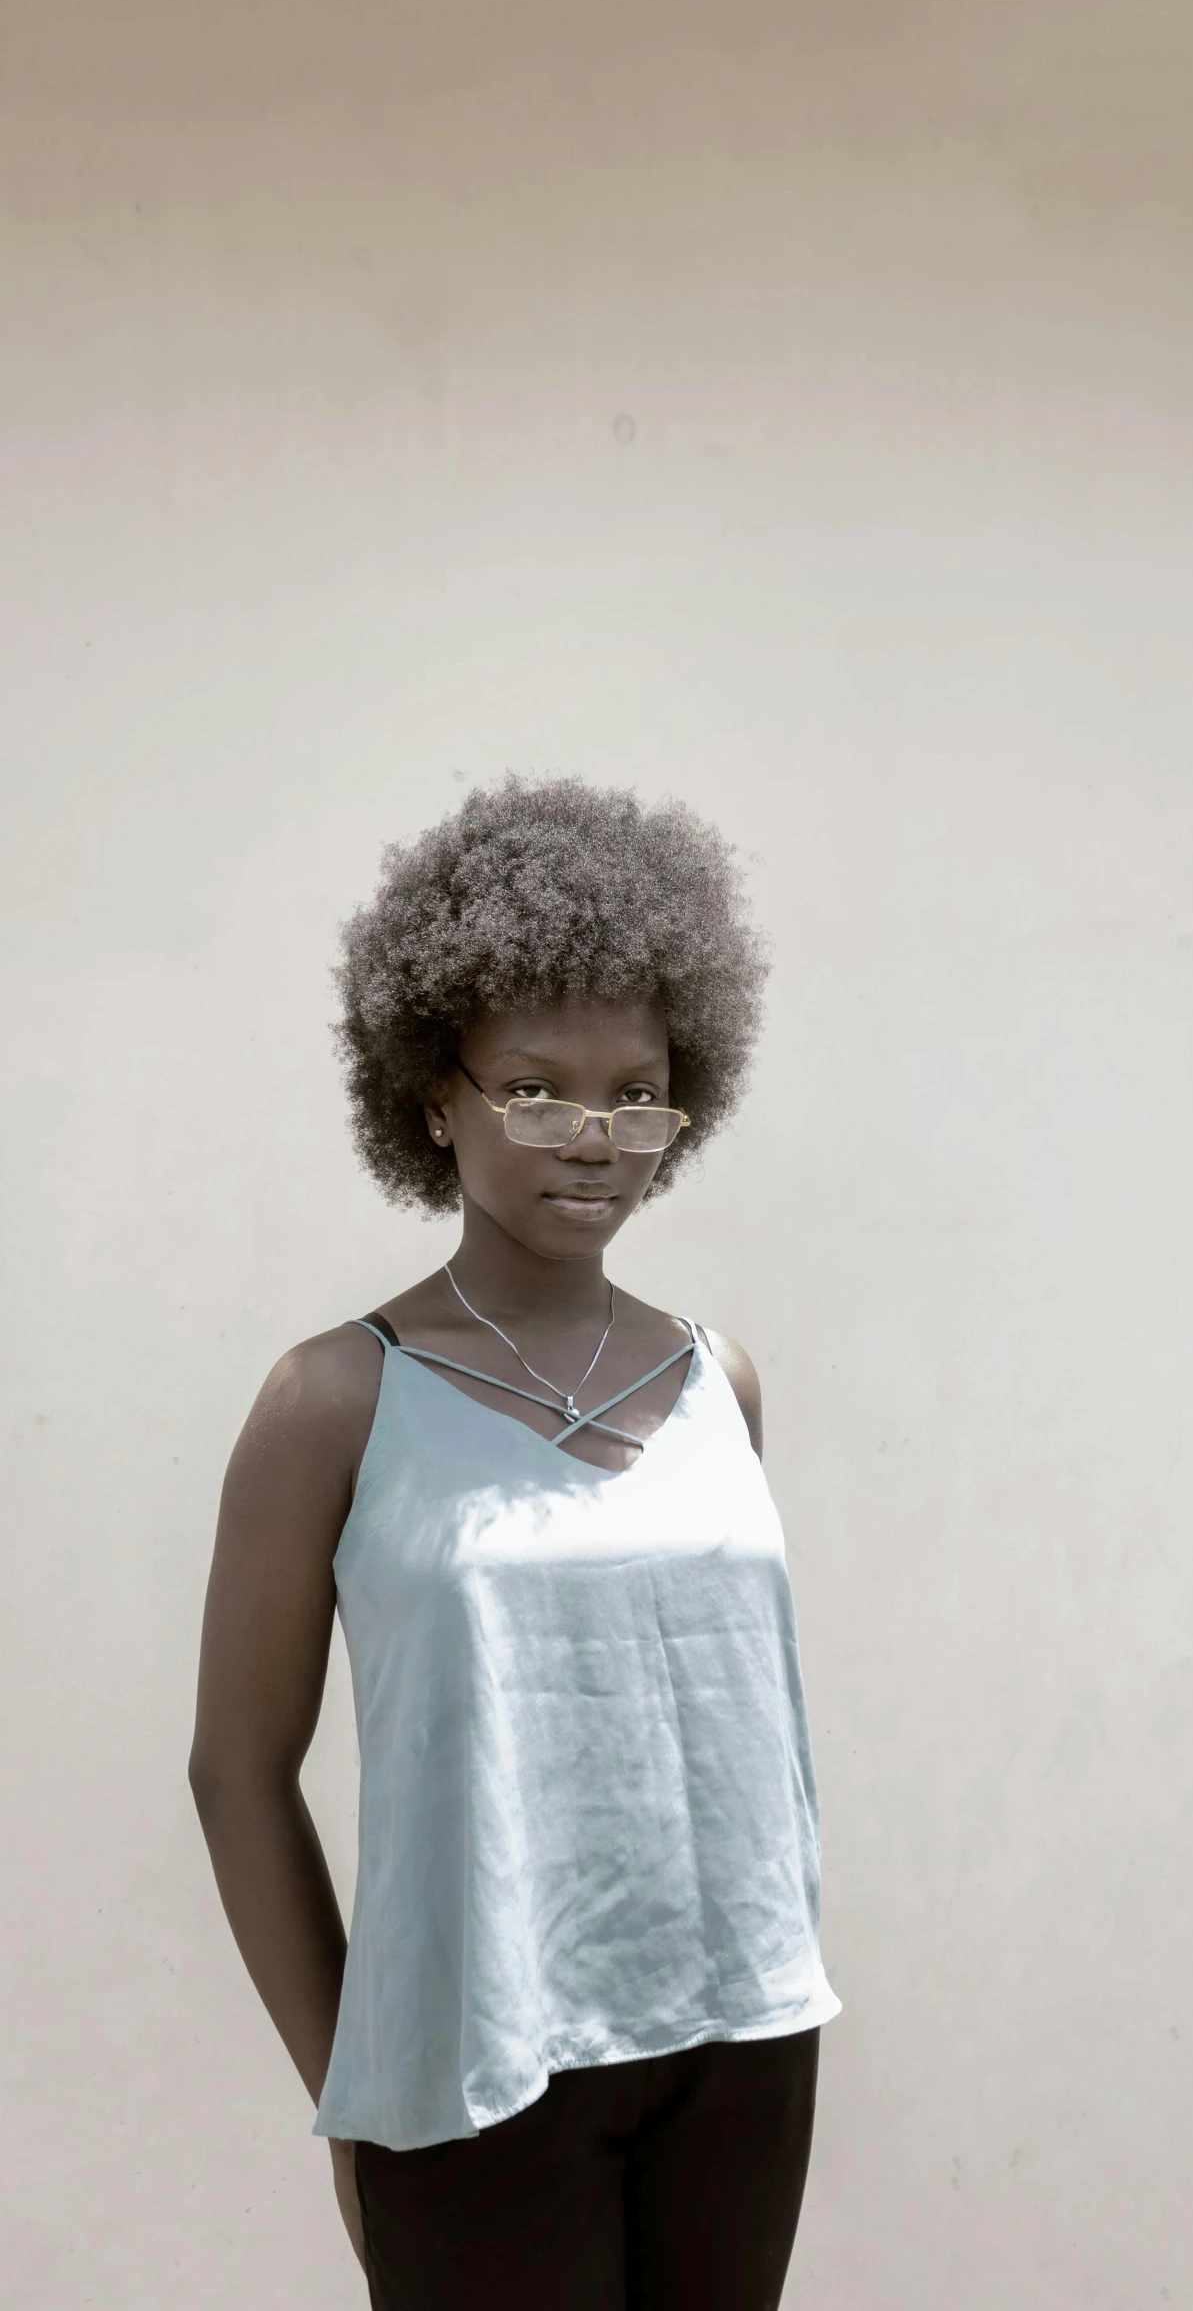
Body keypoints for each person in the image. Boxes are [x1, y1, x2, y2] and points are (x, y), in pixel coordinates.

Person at [187, 775, 841, 2309]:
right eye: (535, 1086)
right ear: (435, 1094)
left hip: (742, 2040)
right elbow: (233, 1766)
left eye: (638, 1090)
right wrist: (352, 2082)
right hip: (474, 2058)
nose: (595, 1136)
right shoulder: (336, 1397)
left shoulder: (714, 1380)